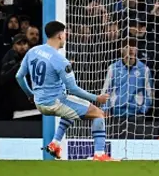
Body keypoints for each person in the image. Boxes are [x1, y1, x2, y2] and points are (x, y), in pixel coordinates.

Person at [14, 21, 115, 161]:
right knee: (98, 114)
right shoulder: (60, 60)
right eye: (65, 34)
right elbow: (73, 88)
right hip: (55, 101)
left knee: (71, 108)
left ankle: (55, 144)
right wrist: (97, 98)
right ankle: (99, 154)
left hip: (39, 102)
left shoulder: (32, 51)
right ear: (60, 35)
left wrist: (30, 94)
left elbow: (19, 76)